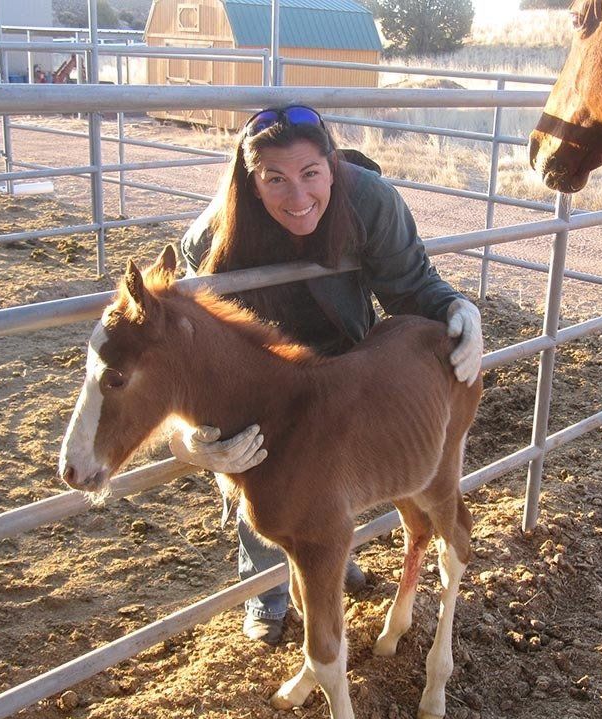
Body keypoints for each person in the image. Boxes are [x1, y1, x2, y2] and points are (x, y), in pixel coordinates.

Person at [170, 104, 483, 645]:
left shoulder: (369, 202)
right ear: (251, 180)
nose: (298, 199)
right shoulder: (212, 242)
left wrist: (457, 308)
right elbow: (187, 354)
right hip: (259, 382)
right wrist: (186, 438)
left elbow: (410, 285)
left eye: (311, 175)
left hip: (344, 357)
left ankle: (332, 562)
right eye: (275, 180)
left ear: (332, 166)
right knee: (255, 464)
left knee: (333, 474)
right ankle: (267, 590)